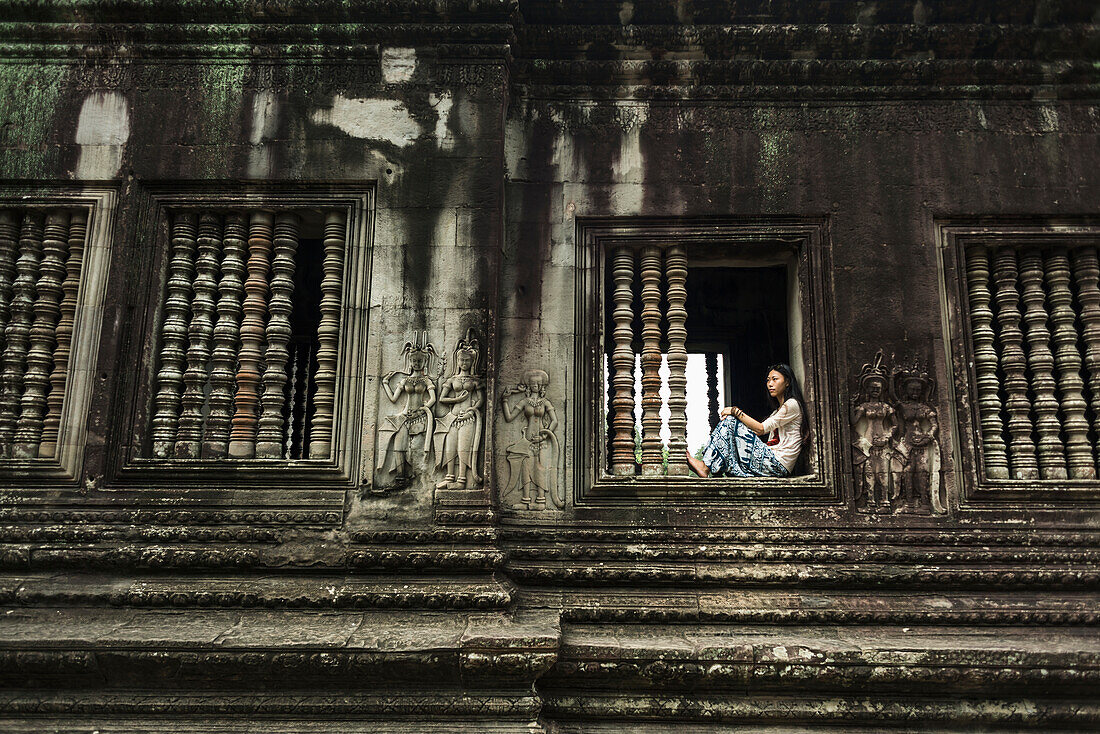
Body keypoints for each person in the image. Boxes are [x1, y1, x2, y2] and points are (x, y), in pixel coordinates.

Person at [686, 363, 808, 478]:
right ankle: (709, 466)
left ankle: (704, 466)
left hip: (778, 464)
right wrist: (734, 434)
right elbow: (754, 432)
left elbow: (760, 429)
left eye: (775, 379)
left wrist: (735, 412)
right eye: (768, 380)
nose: (770, 384)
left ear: (787, 382)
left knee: (730, 421)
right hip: (772, 460)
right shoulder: (776, 412)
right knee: (730, 428)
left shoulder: (792, 404)